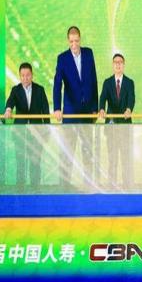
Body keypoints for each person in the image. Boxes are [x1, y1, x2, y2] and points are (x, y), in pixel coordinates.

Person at [53, 26, 98, 187]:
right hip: (70, 112)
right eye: (71, 41)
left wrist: (95, 107)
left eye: (76, 41)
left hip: (87, 112)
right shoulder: (62, 58)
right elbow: (57, 84)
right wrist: (57, 108)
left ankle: (89, 184)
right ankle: (64, 186)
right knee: (68, 152)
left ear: (80, 39)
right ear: (68, 41)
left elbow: (94, 80)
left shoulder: (89, 53)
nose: (74, 44)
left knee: (88, 152)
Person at [4, 62, 50, 189]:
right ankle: (20, 188)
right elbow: (10, 102)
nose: (25, 78)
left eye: (28, 75)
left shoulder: (40, 90)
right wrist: (8, 109)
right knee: (20, 161)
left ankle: (35, 188)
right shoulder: (15, 90)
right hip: (20, 132)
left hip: (37, 133)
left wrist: (47, 131)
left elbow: (46, 112)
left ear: (32, 75)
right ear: (20, 76)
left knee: (35, 161)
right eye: (22, 75)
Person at [99, 53, 135, 188]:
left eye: (120, 62)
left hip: (125, 126)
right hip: (111, 128)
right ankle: (112, 186)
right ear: (113, 65)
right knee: (112, 159)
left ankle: (127, 186)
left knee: (126, 159)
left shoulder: (129, 82)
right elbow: (102, 98)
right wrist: (101, 109)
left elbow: (131, 98)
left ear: (123, 65)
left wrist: (129, 109)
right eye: (115, 62)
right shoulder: (107, 82)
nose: (118, 64)